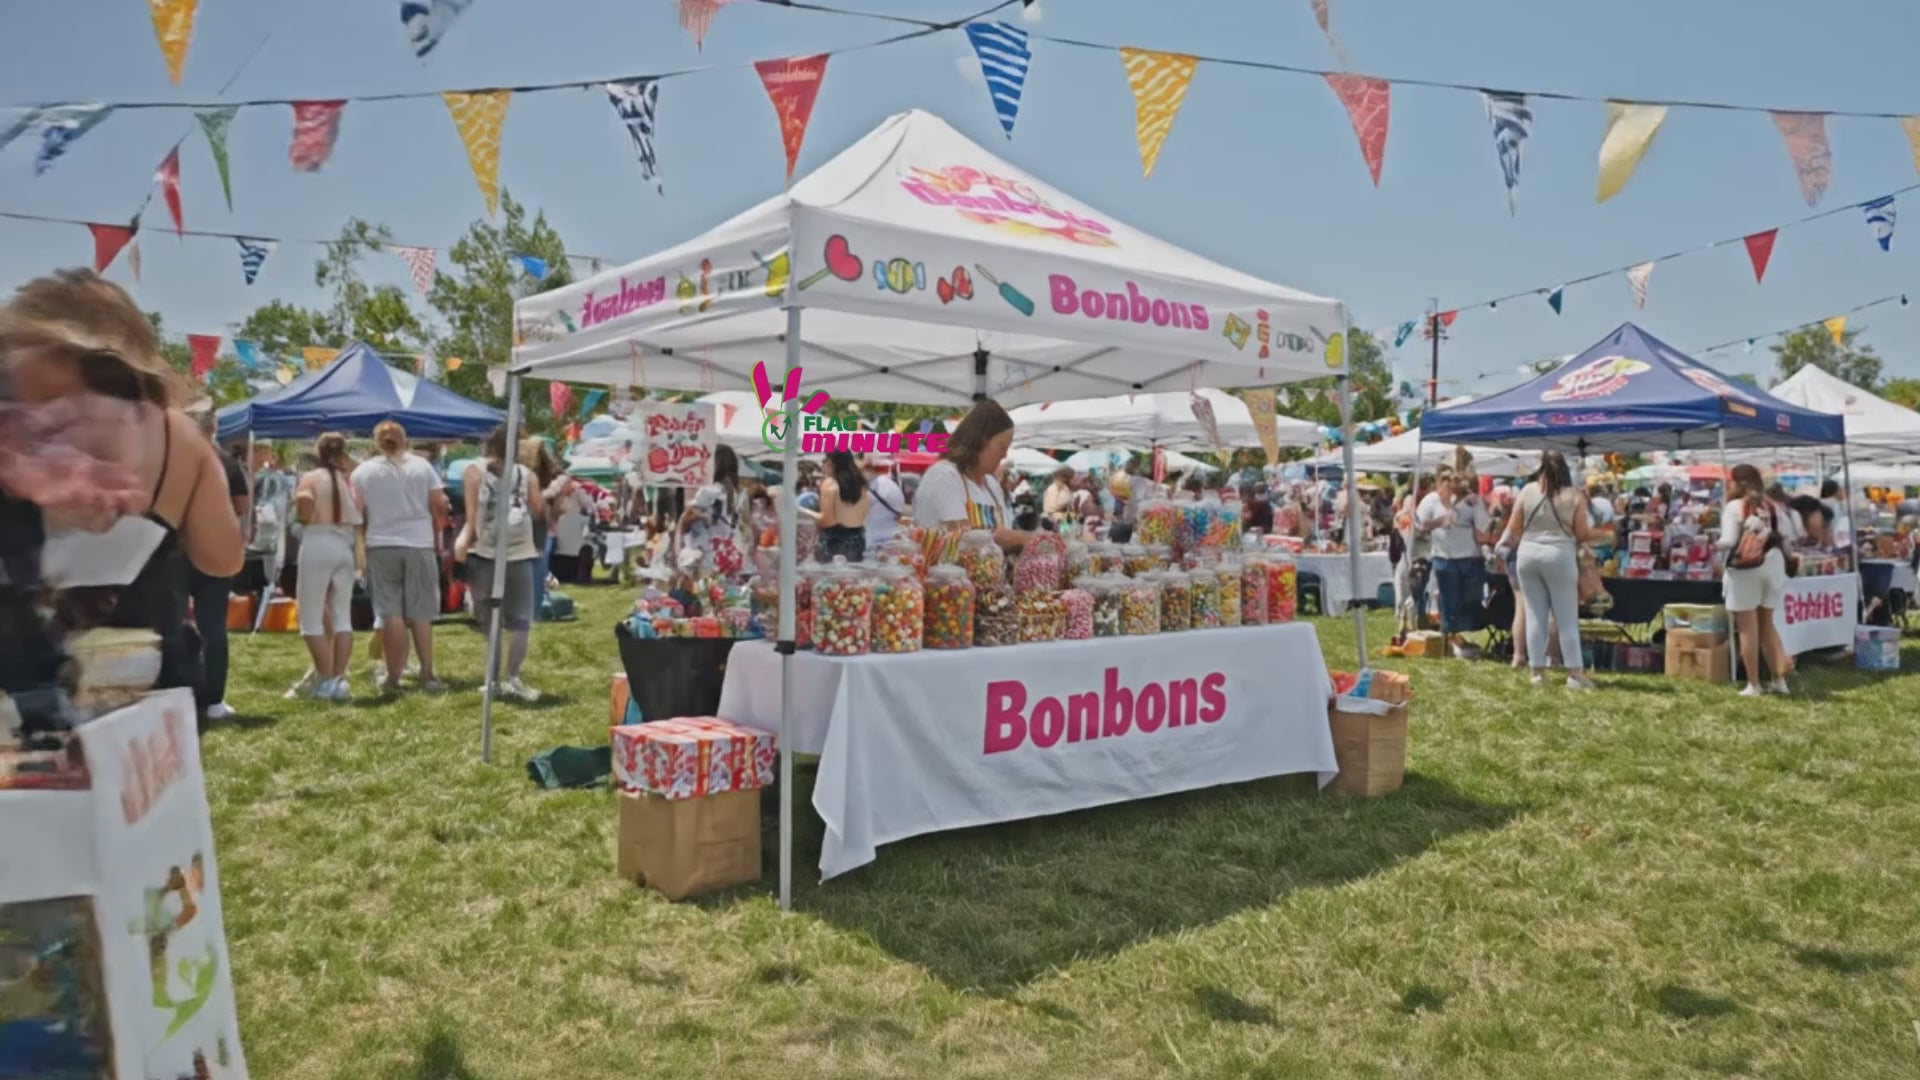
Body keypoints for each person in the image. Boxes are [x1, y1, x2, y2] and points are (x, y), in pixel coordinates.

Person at [0, 270, 245, 715]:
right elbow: (222, 558)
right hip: (147, 695)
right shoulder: (179, 436)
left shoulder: (14, 429)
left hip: (21, 690)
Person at [351, 420, 449, 692]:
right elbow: (440, 504)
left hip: (380, 544)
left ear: (376, 441)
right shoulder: (422, 467)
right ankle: (428, 674)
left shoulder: (362, 472)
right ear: (404, 439)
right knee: (421, 612)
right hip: (419, 543)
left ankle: (393, 676)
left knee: (389, 611)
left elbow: (357, 512)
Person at [1498, 451, 1597, 690]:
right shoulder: (1574, 496)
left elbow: (1513, 528)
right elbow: (1582, 534)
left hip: (1528, 554)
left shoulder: (1528, 491)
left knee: (1534, 616)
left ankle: (1537, 672)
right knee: (1566, 618)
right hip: (1559, 555)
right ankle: (1574, 673)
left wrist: (1500, 550)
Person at [460, 423, 544, 701]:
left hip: (486, 552)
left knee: (491, 620)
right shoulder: (527, 474)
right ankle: (514, 677)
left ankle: (492, 680)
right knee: (520, 620)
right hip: (521, 552)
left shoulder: (474, 471)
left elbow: (471, 516)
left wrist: (463, 540)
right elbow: (538, 509)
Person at [180, 412, 250, 720]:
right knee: (214, 628)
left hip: (176, 551)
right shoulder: (227, 461)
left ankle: (177, 693)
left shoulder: (174, 461)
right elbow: (242, 506)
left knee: (170, 624)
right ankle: (215, 700)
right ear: (214, 428)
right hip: (215, 551)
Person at [911, 399, 1033, 552]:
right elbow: (964, 537)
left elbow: (1000, 542)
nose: (1005, 454)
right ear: (981, 441)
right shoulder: (943, 476)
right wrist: (1025, 537)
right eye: (1002, 447)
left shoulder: (991, 484)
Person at [294, 433, 362, 701]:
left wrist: (301, 514)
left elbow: (305, 506)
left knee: (310, 619)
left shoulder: (310, 478)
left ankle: (324, 679)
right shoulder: (345, 482)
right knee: (342, 617)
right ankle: (338, 679)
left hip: (317, 543)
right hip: (343, 546)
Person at [1720, 463, 1792, 697]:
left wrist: (1712, 542)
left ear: (1735, 483)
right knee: (1767, 625)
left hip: (1746, 569)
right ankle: (1778, 679)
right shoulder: (1773, 506)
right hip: (1774, 565)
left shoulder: (1734, 507)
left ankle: (1754, 684)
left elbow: (1729, 541)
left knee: (1747, 629)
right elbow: (1789, 535)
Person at [1415, 466, 1492, 657]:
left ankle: (1459, 633)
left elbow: (1484, 527)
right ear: (1439, 482)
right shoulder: (1430, 501)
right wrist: (1440, 522)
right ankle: (1448, 636)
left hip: (1470, 559)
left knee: (1469, 598)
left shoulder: (1471, 502)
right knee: (1448, 600)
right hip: (1444, 558)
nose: (1451, 487)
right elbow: (1419, 527)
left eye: (1455, 482)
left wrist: (1477, 506)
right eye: (1446, 482)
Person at [679, 444, 749, 577]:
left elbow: (688, 517)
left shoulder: (708, 491)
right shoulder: (740, 493)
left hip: (704, 553)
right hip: (728, 553)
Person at [815, 449, 872, 560]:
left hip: (833, 540)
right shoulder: (861, 485)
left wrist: (801, 510)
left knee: (828, 576)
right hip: (858, 538)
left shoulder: (829, 484)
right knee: (853, 576)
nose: (823, 464)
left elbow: (827, 521)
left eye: (824, 460)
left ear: (831, 463)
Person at [548, 469, 597, 584]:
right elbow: (590, 507)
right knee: (570, 550)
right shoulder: (577, 490)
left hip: (562, 527)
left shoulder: (554, 489)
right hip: (569, 526)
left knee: (564, 550)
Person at [862, 456, 905, 552]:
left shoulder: (868, 490)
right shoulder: (890, 484)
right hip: (891, 540)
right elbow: (899, 512)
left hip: (870, 542)